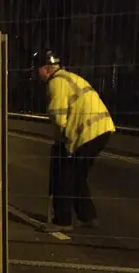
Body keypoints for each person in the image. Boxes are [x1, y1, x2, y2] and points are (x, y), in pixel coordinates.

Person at [38, 50, 116, 232]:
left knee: (66, 176)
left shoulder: (56, 82)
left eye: (39, 69)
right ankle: (88, 216)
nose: (37, 73)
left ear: (47, 69)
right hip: (100, 130)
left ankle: (63, 221)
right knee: (77, 176)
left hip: (88, 133)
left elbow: (58, 117)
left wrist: (60, 142)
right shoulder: (68, 77)